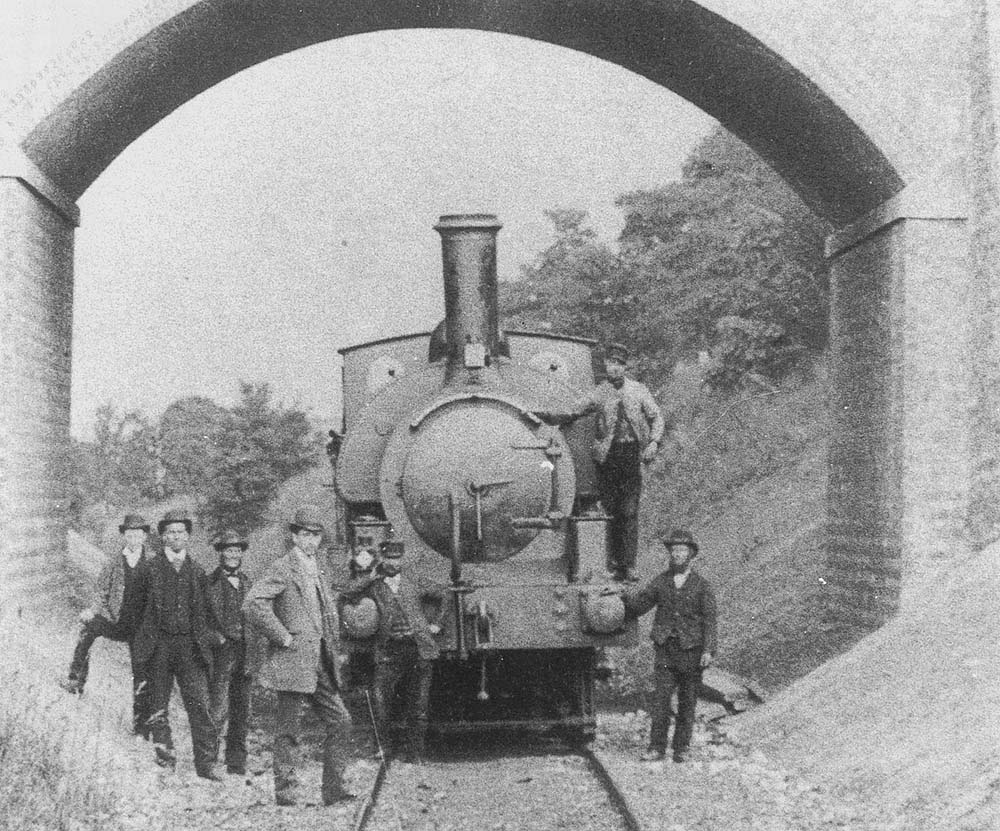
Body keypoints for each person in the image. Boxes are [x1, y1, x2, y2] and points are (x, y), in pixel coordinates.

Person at [243, 505, 354, 806]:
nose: (311, 541)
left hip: (319, 661)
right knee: (288, 730)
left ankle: (333, 790)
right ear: (294, 536)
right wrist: (282, 636)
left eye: (316, 536)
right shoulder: (282, 567)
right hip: (292, 660)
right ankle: (286, 793)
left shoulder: (319, 569)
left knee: (341, 721)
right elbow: (253, 604)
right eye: (305, 534)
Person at [542, 342, 665, 581]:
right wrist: (546, 416)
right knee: (608, 511)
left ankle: (628, 565)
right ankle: (609, 562)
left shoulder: (638, 390)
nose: (615, 368)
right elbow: (574, 410)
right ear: (606, 365)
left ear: (625, 366)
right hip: (607, 460)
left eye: (619, 364)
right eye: (611, 364)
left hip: (630, 457)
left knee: (629, 512)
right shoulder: (599, 392)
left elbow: (656, 416)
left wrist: (654, 443)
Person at [129, 508, 220, 780]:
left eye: (181, 531)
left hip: (190, 649)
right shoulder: (148, 569)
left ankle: (206, 766)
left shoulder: (197, 571)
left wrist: (211, 638)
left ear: (189, 536)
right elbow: (134, 611)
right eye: (171, 532)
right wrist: (141, 644)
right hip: (158, 648)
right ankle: (165, 759)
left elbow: (207, 613)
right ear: (163, 537)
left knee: (200, 706)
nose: (176, 536)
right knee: (158, 704)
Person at [342, 539, 444, 763]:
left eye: (397, 558)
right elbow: (347, 592)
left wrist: (436, 624)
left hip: (418, 648)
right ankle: (383, 749)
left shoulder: (414, 580)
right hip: (389, 650)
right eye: (389, 558)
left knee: (418, 706)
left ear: (403, 559)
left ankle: (416, 753)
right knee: (380, 703)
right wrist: (370, 576)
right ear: (382, 558)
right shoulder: (375, 583)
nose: (393, 563)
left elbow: (443, 594)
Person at [624, 529, 716, 763]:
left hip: (692, 651)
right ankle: (656, 748)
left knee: (687, 702)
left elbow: (710, 620)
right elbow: (639, 606)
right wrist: (623, 597)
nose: (677, 554)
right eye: (674, 550)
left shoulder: (702, 585)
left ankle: (681, 748)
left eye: (682, 550)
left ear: (691, 554)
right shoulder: (661, 581)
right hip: (665, 649)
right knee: (661, 701)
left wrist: (708, 650)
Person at [60, 513, 156, 738]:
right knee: (88, 629)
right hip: (116, 620)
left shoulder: (153, 561)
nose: (133, 538)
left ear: (144, 536)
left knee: (141, 671)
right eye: (129, 534)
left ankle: (141, 725)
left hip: (140, 626)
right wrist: (94, 611)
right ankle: (76, 679)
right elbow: (101, 590)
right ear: (124, 536)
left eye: (138, 534)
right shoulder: (114, 561)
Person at [206, 529, 253, 776]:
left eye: (237, 550)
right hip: (222, 652)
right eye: (228, 550)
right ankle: (210, 761)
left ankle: (236, 762)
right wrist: (218, 638)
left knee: (241, 709)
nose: (233, 555)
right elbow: (200, 620)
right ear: (221, 553)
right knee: (218, 707)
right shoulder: (208, 583)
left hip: (245, 651)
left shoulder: (248, 582)